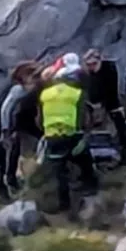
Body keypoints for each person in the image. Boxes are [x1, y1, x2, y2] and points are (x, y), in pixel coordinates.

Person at [0, 60, 42, 201]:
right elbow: (6, 109)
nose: (36, 82)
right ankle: (1, 192)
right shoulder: (18, 89)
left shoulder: (14, 87)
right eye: (34, 78)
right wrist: (5, 132)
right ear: (25, 77)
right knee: (0, 158)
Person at [38, 59, 99, 213]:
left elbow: (39, 119)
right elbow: (83, 117)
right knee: (85, 159)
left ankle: (63, 205)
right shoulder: (77, 93)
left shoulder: (45, 94)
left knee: (59, 172)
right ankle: (90, 187)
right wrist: (84, 133)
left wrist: (46, 131)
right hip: (71, 135)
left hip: (52, 137)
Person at [82, 49, 126, 164]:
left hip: (111, 105)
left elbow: (111, 89)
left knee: (118, 130)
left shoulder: (109, 69)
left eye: (93, 64)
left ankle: (123, 154)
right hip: (96, 108)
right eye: (88, 65)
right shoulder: (90, 74)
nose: (91, 67)